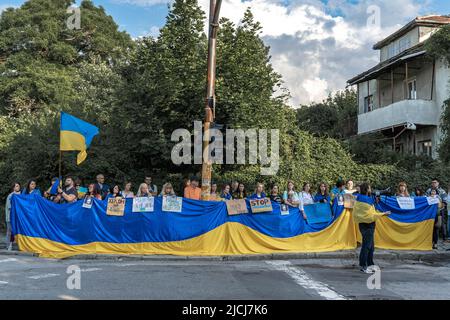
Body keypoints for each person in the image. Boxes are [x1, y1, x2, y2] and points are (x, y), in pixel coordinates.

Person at [353, 183, 391, 273]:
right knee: (367, 246)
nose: (371, 190)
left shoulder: (359, 197)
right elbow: (371, 214)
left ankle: (370, 264)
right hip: (369, 224)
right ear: (367, 190)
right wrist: (383, 214)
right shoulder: (367, 200)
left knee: (371, 246)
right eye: (370, 188)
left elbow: (370, 210)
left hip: (362, 224)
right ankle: (363, 265)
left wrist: (375, 200)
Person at [426, 178, 448, 244]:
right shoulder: (428, 190)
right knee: (431, 225)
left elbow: (445, 201)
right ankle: (431, 240)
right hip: (430, 211)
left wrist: (440, 208)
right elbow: (425, 199)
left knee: (439, 225)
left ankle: (444, 238)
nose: (433, 183)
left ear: (438, 183)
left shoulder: (442, 191)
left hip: (440, 211)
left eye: (435, 182)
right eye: (432, 182)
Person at [5, 182, 21, 251]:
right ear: (13, 188)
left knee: (17, 231)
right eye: (16, 186)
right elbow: (9, 207)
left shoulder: (21, 195)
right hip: (10, 217)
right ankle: (8, 245)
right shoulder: (11, 196)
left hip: (18, 217)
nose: (18, 187)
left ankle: (18, 245)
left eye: (18, 186)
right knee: (10, 231)